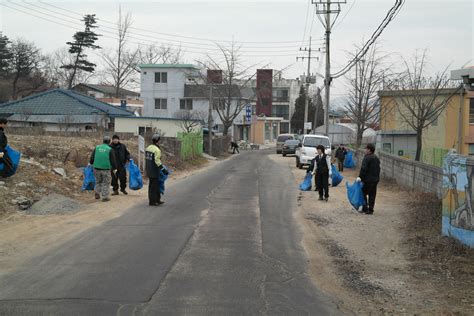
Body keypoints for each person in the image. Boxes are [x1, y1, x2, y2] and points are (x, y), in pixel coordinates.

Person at [90, 136, 117, 202]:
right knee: (106, 182)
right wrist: (115, 168)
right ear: (109, 142)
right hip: (105, 168)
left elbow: (92, 157)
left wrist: (91, 163)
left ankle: (97, 192)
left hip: (96, 168)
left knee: (98, 181)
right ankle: (105, 197)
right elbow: (113, 160)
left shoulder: (97, 147)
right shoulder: (110, 149)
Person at [356, 143, 381, 215]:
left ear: (369, 150)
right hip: (375, 180)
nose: (365, 150)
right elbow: (378, 169)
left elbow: (363, 169)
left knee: (363, 193)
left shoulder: (367, 158)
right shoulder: (376, 158)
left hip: (367, 180)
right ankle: (371, 210)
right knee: (372, 195)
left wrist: (360, 177)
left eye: (366, 149)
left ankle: (365, 208)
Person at [145, 133, 168, 206]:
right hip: (154, 170)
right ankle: (153, 201)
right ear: (158, 141)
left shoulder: (148, 147)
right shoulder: (157, 150)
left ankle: (157, 200)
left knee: (152, 185)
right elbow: (157, 161)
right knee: (154, 186)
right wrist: (163, 170)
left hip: (148, 169)